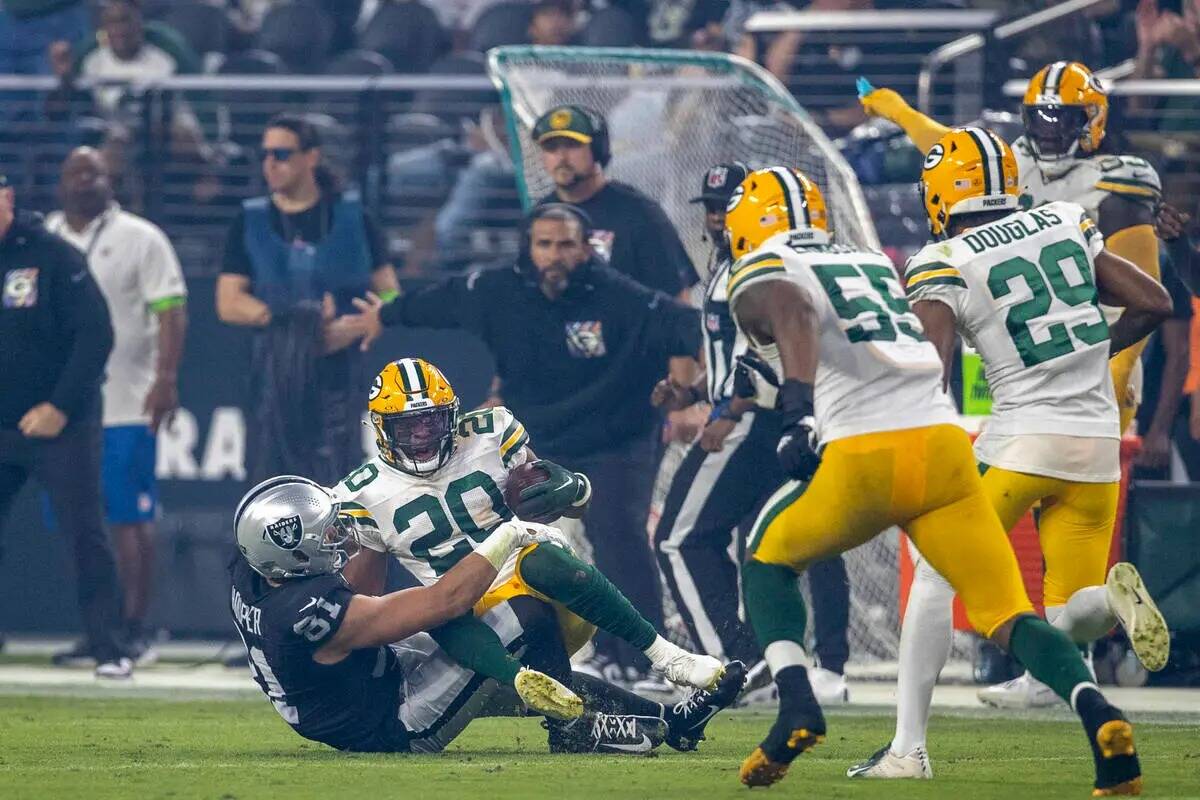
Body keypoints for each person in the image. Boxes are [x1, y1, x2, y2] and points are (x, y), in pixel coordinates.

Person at [720, 166, 1145, 797]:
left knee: (766, 558)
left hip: (868, 451)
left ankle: (797, 705)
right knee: (1006, 611)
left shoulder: (764, 264)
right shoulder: (862, 258)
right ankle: (1098, 716)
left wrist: (797, 410)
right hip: (945, 448)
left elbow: (790, 307)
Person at [847, 128, 1172, 779]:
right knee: (1070, 610)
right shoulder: (1061, 219)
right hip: (1097, 447)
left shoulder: (943, 257)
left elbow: (930, 370)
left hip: (1021, 438)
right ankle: (1112, 602)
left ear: (942, 191)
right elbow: (1154, 303)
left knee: (936, 573)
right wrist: (1093, 356)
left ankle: (908, 750)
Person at [349, 204, 702, 682]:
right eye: (544, 244)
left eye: (566, 244)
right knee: (497, 570)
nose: (554, 255)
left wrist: (686, 393)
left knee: (615, 535)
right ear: (527, 248)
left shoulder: (617, 296)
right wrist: (387, 312)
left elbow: (685, 323)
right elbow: (444, 299)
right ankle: (567, 669)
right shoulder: (499, 290)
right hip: (540, 436)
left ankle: (648, 657)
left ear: (587, 248)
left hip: (614, 437)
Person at [234, 474, 744, 754]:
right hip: (386, 722)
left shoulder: (256, 567)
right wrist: (507, 534)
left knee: (514, 679)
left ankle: (669, 724)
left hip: (353, 685)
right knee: (521, 619)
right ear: (290, 554)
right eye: (324, 535)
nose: (337, 537)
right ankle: (576, 731)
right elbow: (442, 602)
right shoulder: (307, 612)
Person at [335, 357, 728, 695]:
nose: (421, 435)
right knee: (437, 612)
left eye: (432, 422)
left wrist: (573, 488)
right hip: (466, 626)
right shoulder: (363, 493)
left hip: (539, 589)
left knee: (537, 566)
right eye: (408, 427)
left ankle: (663, 654)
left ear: (452, 415)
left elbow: (558, 506)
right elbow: (364, 597)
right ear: (384, 429)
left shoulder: (491, 434)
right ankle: (560, 711)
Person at [650, 162, 850, 703]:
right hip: (773, 410)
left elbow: (761, 355)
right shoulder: (734, 259)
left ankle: (744, 662)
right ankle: (782, 659)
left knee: (680, 537)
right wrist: (693, 394)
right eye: (712, 208)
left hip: (763, 414)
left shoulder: (762, 262)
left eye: (729, 207)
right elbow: (733, 349)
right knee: (772, 542)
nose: (718, 218)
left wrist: (729, 411)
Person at [44, 147, 187, 666]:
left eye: (93, 171)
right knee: (82, 523)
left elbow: (171, 310)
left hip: (128, 398)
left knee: (130, 519)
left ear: (111, 180)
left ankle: (134, 627)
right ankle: (99, 629)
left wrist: (165, 379)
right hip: (64, 404)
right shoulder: (45, 239)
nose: (84, 180)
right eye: (74, 172)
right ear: (59, 183)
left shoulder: (141, 238)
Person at [217, 113, 399, 486]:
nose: (270, 163)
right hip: (274, 366)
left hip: (340, 366)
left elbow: (391, 291)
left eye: (281, 154)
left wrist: (365, 323)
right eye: (265, 154)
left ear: (311, 157)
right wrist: (300, 325)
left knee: (341, 467)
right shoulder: (250, 219)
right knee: (270, 468)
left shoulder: (354, 217)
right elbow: (228, 301)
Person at [0, 174, 131, 678]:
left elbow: (96, 335)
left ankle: (111, 648)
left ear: (8, 198)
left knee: (84, 534)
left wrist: (59, 405)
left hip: (62, 423)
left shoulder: (54, 255)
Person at [532, 103, 696, 296]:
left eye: (573, 145)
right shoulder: (539, 217)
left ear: (598, 149)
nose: (561, 157)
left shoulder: (639, 214)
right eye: (551, 148)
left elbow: (678, 301)